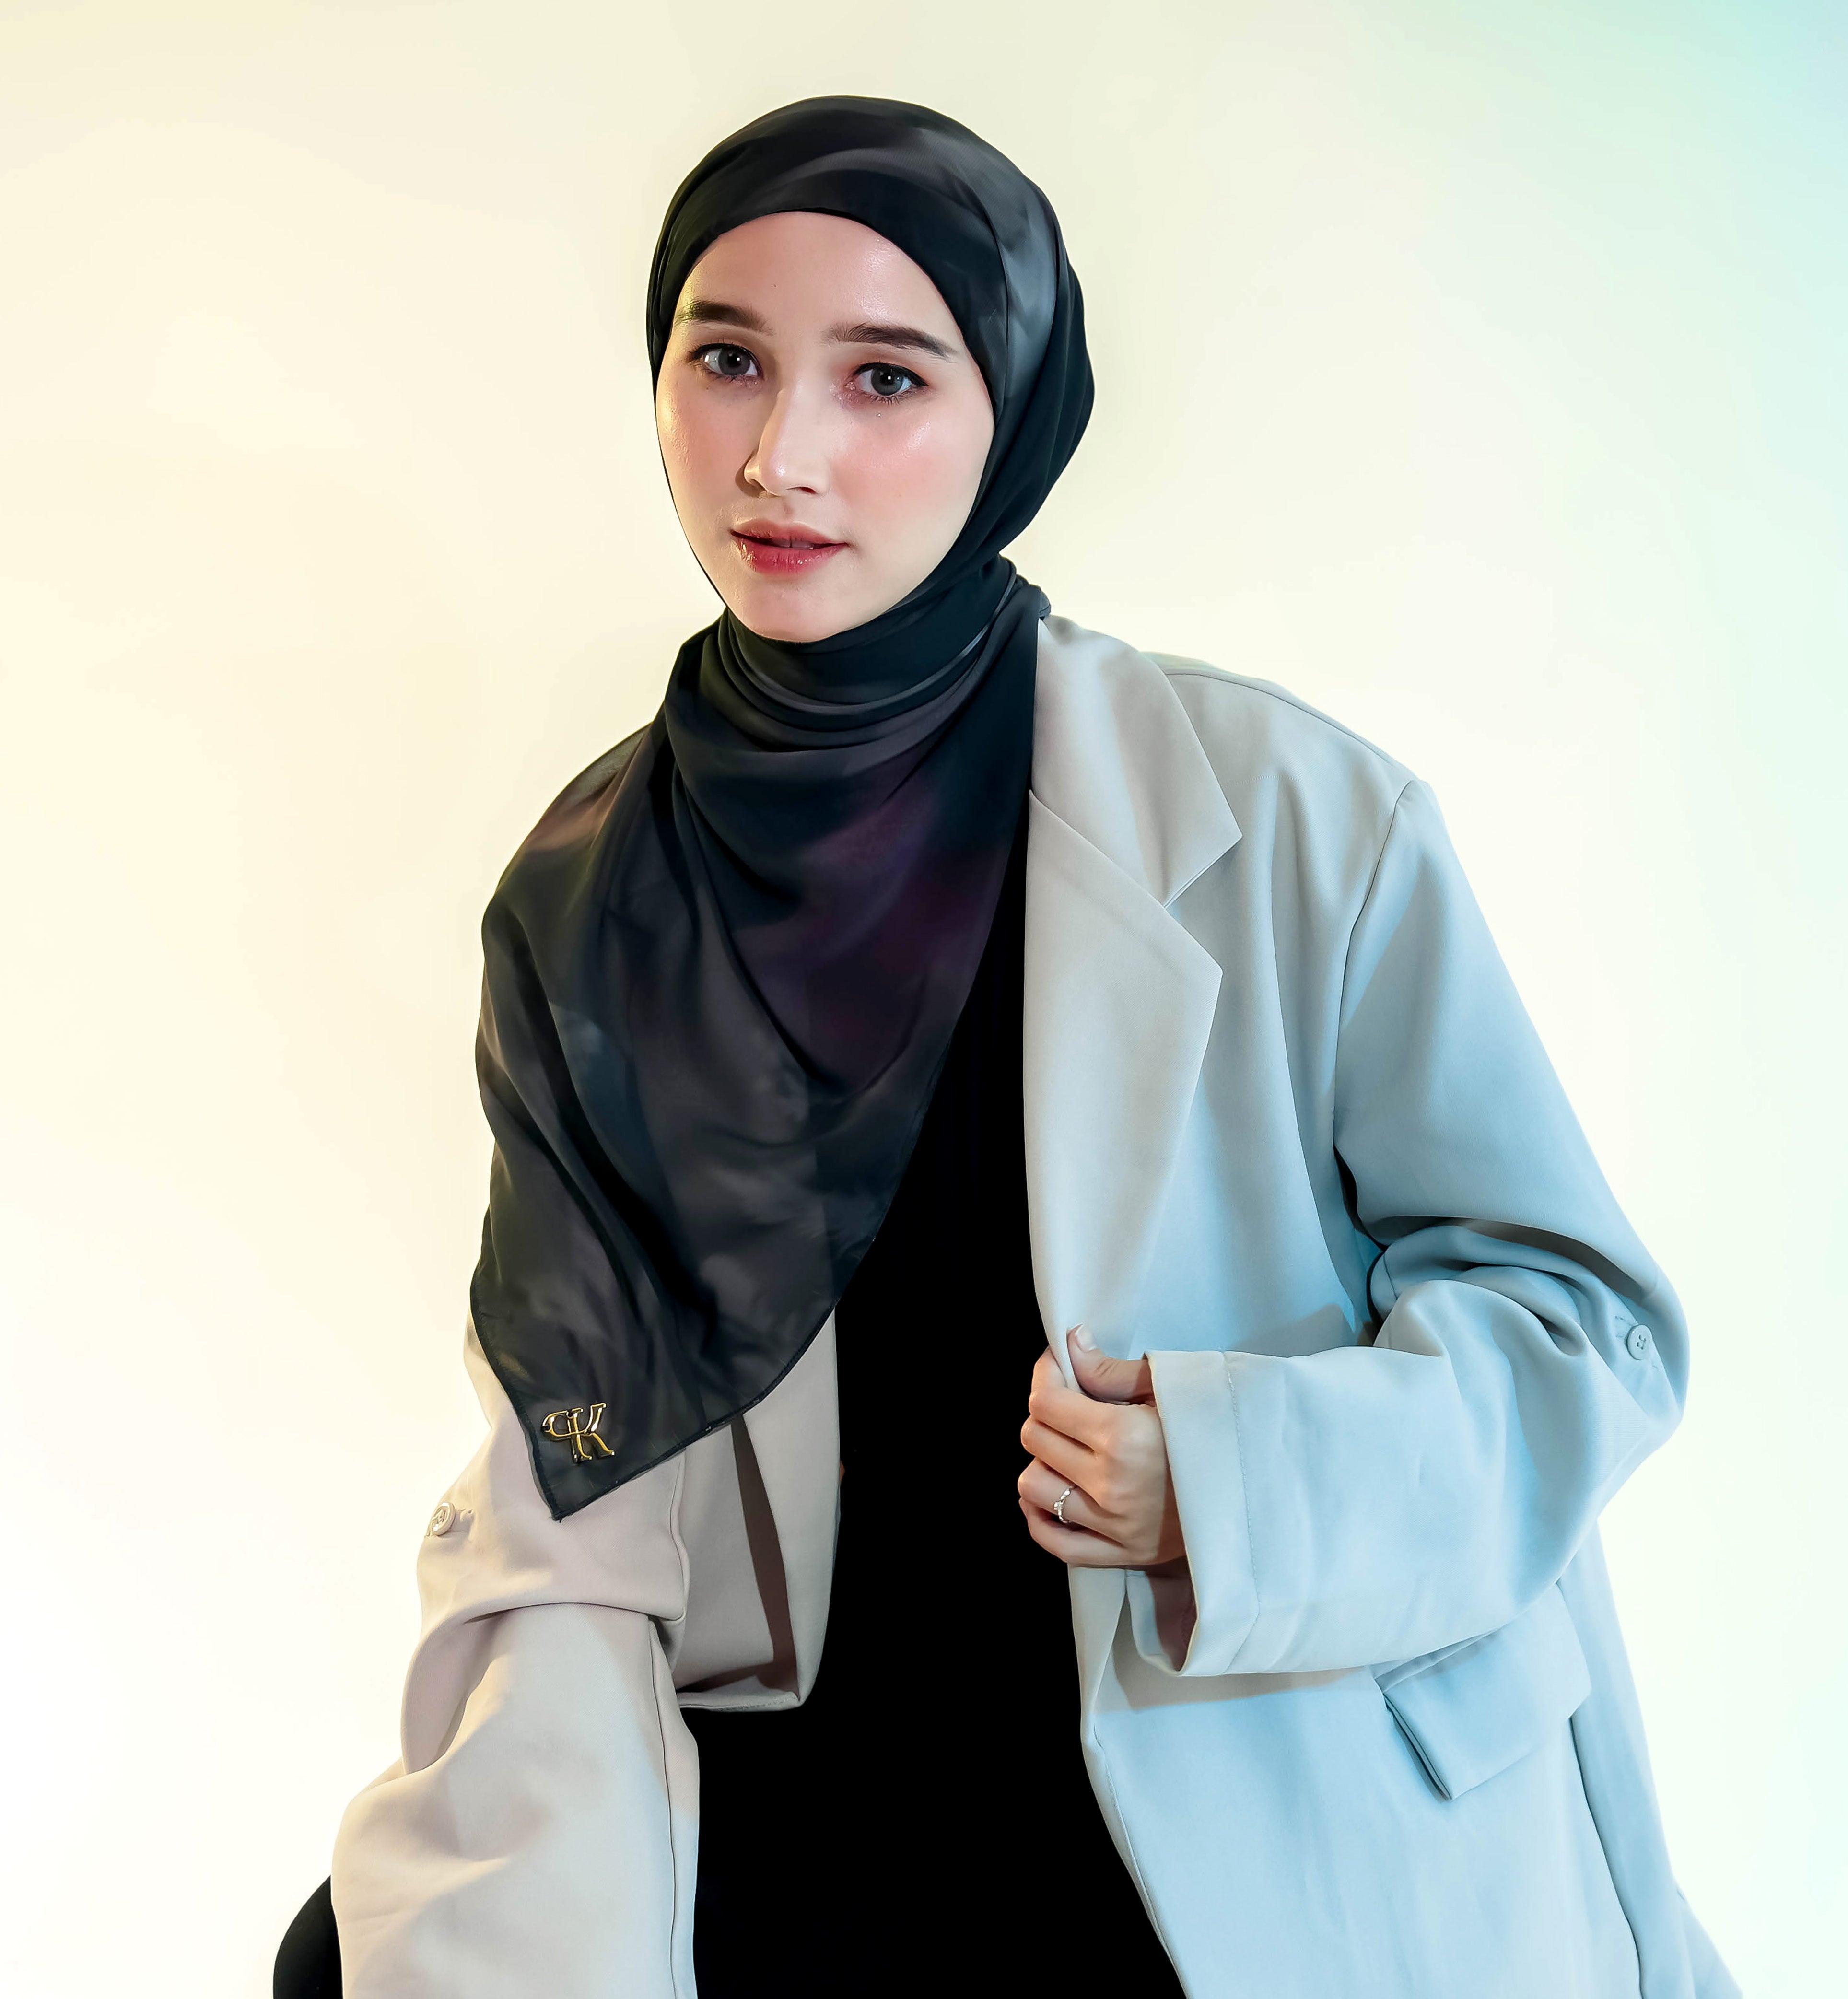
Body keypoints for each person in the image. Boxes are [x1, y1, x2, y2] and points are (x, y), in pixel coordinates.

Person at [281, 96, 1737, 1999]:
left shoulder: (1293, 820)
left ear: (1013, 418)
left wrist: (1224, 1487)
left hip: (1247, 1787)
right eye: (727, 359)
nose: (782, 456)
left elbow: (1585, 1326)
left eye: (884, 377)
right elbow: (578, 1479)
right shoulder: (599, 896)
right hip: (815, 1824)